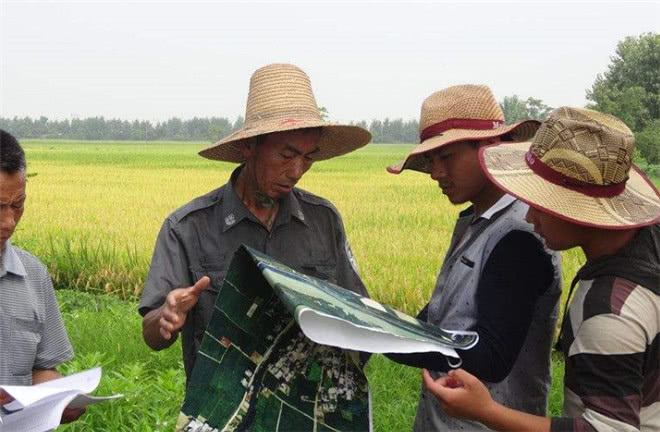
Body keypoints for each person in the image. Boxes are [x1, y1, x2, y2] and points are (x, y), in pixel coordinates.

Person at [423, 106, 660, 432]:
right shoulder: (647, 251)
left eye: (541, 202)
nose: (530, 217)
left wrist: (486, 411)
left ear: (578, 205)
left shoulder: (609, 307)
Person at [139, 63, 372, 383]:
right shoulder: (187, 228)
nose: (297, 171)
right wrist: (165, 319)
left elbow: (358, 315)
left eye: (308, 158)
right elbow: (152, 334)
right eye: (287, 155)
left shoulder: (323, 220)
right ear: (249, 146)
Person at [385, 85, 563, 431]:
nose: (436, 173)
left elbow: (493, 356)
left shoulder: (519, 236)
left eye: (447, 157)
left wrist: (387, 338)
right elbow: (441, 317)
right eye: (431, 161)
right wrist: (381, 325)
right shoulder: (475, 222)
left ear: (490, 149)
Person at [0, 129, 84, 423]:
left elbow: (41, 369)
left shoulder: (33, 275)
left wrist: (60, 400)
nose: (9, 222)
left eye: (17, 205)